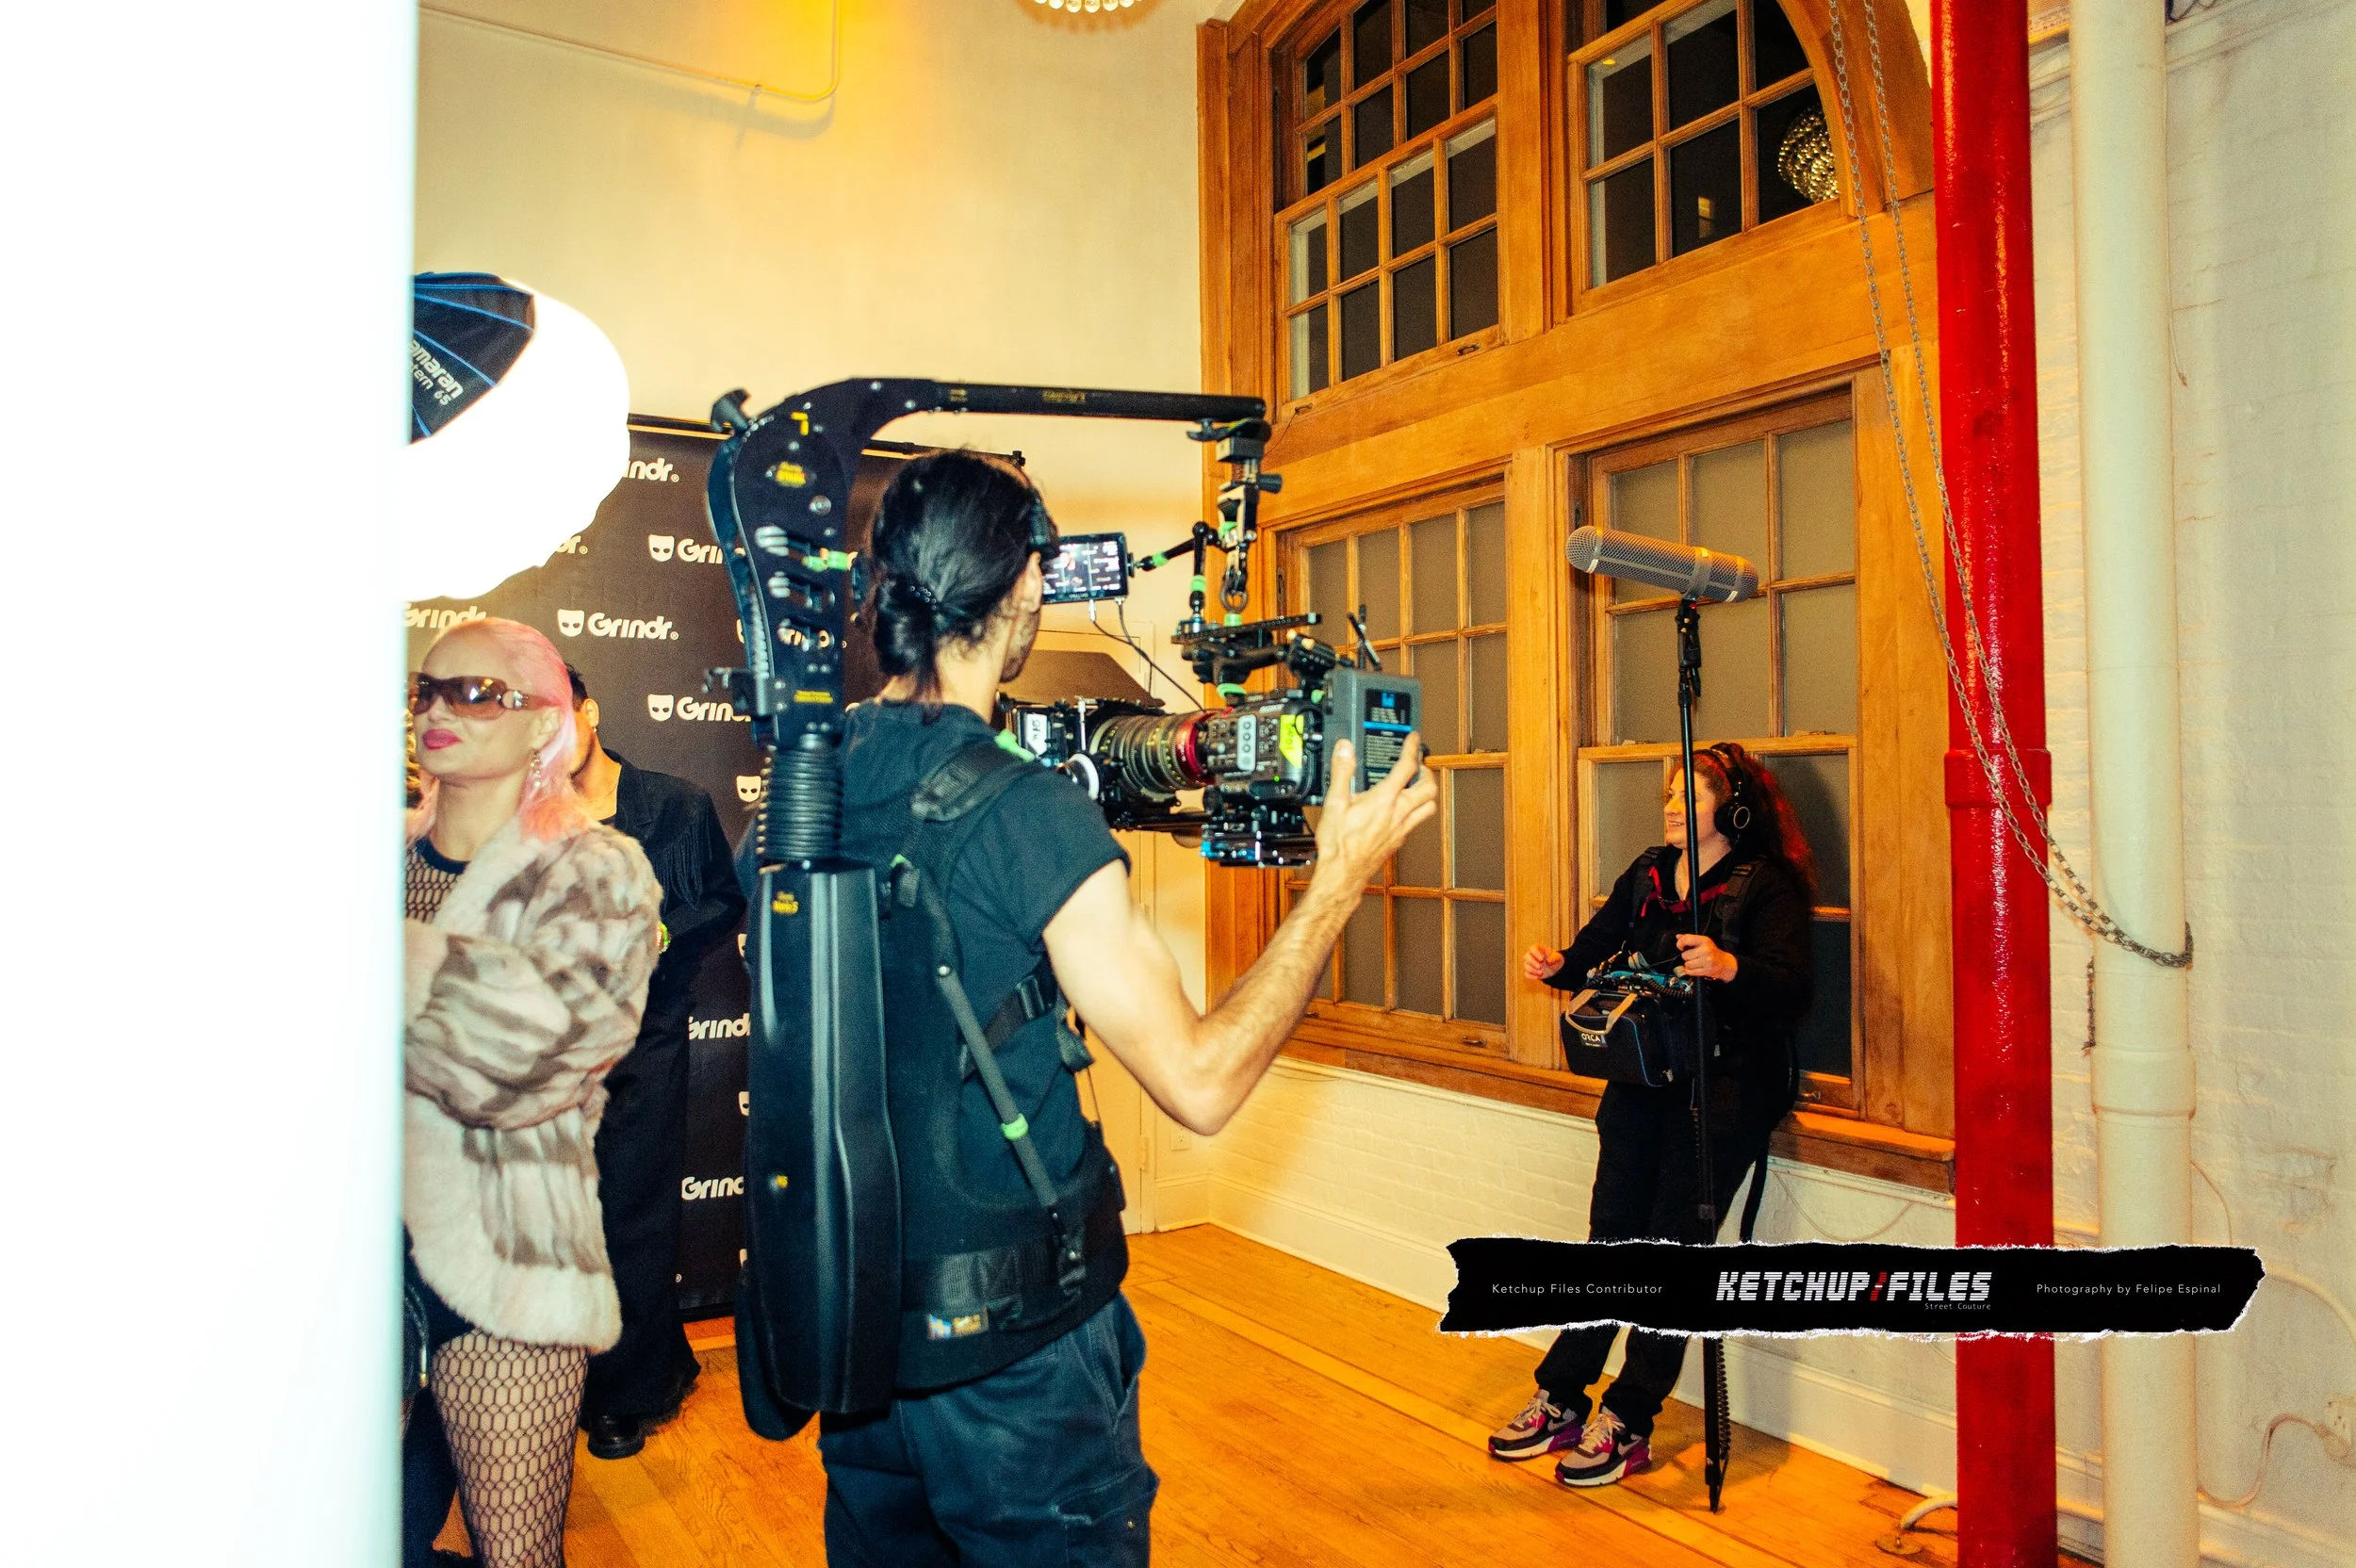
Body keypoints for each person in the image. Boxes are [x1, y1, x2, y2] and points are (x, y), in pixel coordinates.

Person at [798, 450, 1436, 1567]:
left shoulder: (817, 773)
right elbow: (1198, 1080)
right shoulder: (1024, 813)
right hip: (1018, 1358)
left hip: (862, 1335)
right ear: (1028, 585)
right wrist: (1337, 878)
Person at [401, 617, 663, 1567]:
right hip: (353, 1265)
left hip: (509, 1255)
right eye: (428, 688)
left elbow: (528, 1062)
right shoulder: (363, 862)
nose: (440, 708)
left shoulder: (597, 871)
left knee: (517, 1553)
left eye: (477, 692)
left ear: (544, 722)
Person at [1486, 743, 1814, 1489]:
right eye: (1670, 794)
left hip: (1725, 1090)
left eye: (1689, 796)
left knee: (1671, 1253)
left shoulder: (1766, 888)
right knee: (1611, 1240)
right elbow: (1596, 949)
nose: (1671, 807)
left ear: (1732, 811)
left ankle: (1629, 1416)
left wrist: (1731, 968)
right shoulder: (1646, 873)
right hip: (1643, 1074)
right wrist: (1558, 966)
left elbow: (1793, 991)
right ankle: (1563, 1394)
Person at [564, 665, 747, 1460]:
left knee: (632, 1220)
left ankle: (625, 1396)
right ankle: (559, 1379)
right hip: (548, 1051)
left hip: (645, 1039)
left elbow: (722, 901)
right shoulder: (521, 817)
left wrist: (666, 931)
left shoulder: (676, 805)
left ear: (590, 711)